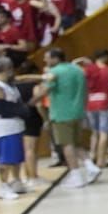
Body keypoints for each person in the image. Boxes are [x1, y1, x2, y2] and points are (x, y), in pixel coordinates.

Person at [39, 49, 99, 188]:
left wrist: (32, 100)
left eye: (47, 58)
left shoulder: (55, 73)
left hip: (61, 113)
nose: (45, 61)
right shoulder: (77, 70)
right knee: (76, 143)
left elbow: (45, 90)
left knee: (67, 145)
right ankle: (90, 167)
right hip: (78, 111)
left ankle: (76, 174)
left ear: (55, 58)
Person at [0, 57, 28, 200]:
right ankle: (3, 187)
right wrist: (21, 110)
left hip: (15, 125)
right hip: (4, 127)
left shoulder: (9, 84)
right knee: (6, 158)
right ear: (5, 69)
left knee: (16, 156)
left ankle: (16, 181)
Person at [83, 50, 108, 169]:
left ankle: (92, 155)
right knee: (104, 133)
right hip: (105, 102)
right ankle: (101, 160)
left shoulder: (88, 69)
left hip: (90, 103)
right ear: (106, 57)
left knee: (94, 132)